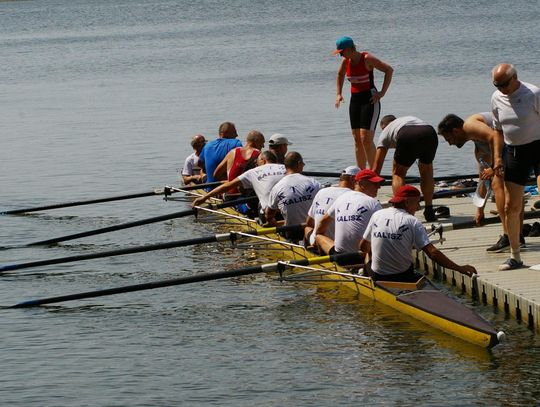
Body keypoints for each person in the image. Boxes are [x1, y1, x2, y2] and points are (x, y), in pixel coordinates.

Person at [437, 113, 523, 252]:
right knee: (507, 187)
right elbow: (483, 180)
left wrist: (494, 165)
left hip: (517, 140)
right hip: (512, 145)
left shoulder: (469, 125)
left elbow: (495, 136)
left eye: (448, 139)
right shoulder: (479, 148)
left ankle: (508, 236)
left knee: (497, 183)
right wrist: (479, 210)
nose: (450, 144)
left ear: (455, 131)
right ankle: (517, 235)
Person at [360, 185, 477, 282]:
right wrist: (459, 268)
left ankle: (365, 274)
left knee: (368, 253)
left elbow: (362, 246)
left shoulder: (377, 215)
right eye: (417, 203)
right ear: (407, 203)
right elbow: (433, 254)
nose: (418, 207)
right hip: (401, 277)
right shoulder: (412, 221)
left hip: (377, 276)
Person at [491, 63, 540, 270]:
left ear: (515, 78)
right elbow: (497, 131)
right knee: (511, 206)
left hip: (538, 147)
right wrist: (497, 158)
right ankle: (515, 256)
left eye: (504, 84)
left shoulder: (533, 93)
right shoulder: (496, 98)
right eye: (497, 84)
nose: (501, 88)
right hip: (514, 152)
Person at [333, 36, 393, 169]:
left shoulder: (367, 59)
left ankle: (373, 174)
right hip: (355, 101)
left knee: (366, 139)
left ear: (349, 49)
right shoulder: (345, 62)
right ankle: (360, 173)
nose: (341, 55)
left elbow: (389, 70)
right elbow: (340, 75)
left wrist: (382, 93)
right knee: (357, 139)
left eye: (341, 52)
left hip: (370, 100)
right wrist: (338, 93)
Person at [373, 115, 438, 222]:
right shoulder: (405, 120)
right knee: (427, 171)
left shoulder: (385, 132)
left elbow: (376, 168)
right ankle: (429, 209)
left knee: (398, 173)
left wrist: (371, 190)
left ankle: (400, 209)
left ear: (384, 127)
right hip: (429, 132)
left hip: (407, 134)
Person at [192, 150, 286, 219]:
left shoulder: (253, 172)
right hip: (290, 209)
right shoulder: (285, 168)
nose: (256, 165)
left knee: (260, 204)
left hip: (270, 214)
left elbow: (227, 186)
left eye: (257, 162)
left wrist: (204, 198)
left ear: (263, 160)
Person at [315, 169, 383, 254]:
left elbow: (321, 225)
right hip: (361, 256)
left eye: (379, 184)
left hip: (340, 257)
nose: (379, 187)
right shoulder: (373, 204)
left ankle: (320, 255)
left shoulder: (341, 199)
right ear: (361, 183)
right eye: (374, 184)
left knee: (318, 236)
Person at [265, 152, 321, 240]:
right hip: (314, 229)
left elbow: (268, 215)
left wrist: (272, 223)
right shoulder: (313, 182)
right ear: (299, 164)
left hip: (292, 231)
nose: (303, 166)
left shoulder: (277, 187)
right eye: (303, 163)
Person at [304, 165, 359, 248]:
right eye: (360, 181)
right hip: (333, 245)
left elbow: (309, 222)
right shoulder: (353, 196)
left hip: (317, 240)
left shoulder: (321, 191)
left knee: (307, 228)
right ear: (352, 179)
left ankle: (308, 250)